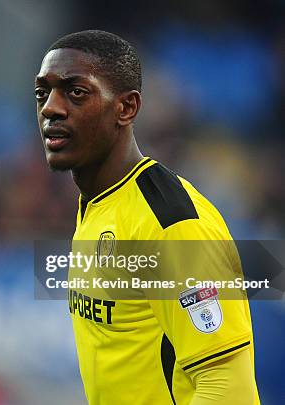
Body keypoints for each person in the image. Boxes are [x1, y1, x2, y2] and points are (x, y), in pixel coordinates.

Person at [34, 30, 260, 404]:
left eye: (76, 92)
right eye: (44, 93)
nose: (51, 108)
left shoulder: (171, 223)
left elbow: (228, 388)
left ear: (126, 108)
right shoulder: (99, 203)